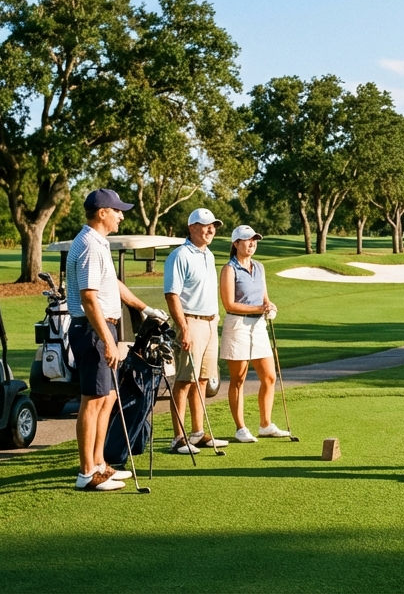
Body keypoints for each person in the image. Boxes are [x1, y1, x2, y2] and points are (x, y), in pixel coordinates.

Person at [68, 189, 166, 491]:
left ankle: (100, 464)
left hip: (103, 329)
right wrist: (107, 341)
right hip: (93, 330)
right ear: (102, 213)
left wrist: (143, 307)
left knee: (108, 397)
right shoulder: (89, 246)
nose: (121, 216)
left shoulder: (98, 244)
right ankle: (87, 473)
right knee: (93, 399)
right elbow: (88, 298)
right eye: (117, 211)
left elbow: (113, 284)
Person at [164, 208, 229, 453]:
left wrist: (215, 321)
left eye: (213, 225)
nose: (211, 229)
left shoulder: (208, 254)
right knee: (184, 381)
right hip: (190, 322)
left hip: (211, 323)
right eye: (205, 225)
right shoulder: (180, 255)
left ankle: (197, 433)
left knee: (202, 380)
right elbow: (172, 295)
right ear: (192, 228)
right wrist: (184, 328)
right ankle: (178, 438)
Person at [219, 225, 290, 442]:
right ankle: (241, 428)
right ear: (236, 244)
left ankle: (265, 424)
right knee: (238, 379)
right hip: (237, 326)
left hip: (258, 326)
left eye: (254, 240)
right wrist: (259, 308)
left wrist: (270, 307)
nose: (252, 243)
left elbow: (264, 297)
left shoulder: (259, 267)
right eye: (247, 240)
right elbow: (229, 304)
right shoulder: (229, 270)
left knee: (269, 376)